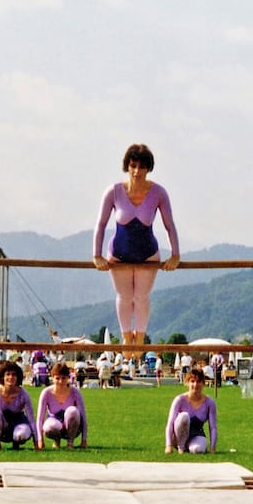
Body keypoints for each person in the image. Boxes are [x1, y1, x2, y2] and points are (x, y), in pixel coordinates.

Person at [92, 143, 180, 351]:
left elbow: (169, 225)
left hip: (147, 254)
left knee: (141, 297)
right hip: (119, 254)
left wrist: (175, 254)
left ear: (148, 168)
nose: (137, 171)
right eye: (133, 166)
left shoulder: (158, 193)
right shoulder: (113, 192)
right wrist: (96, 255)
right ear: (127, 166)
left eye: (141, 167)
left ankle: (139, 338)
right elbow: (101, 224)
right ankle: (125, 336)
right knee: (124, 297)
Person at [0, 361, 38, 452]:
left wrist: (36, 442)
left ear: (18, 377)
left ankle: (16, 443)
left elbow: (31, 419)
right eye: (7, 374)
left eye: (14, 375)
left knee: (21, 435)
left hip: (19, 423)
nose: (11, 377)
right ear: (2, 377)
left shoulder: (23, 394)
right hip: (2, 426)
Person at [165, 368, 217, 455]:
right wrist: (168, 445)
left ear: (203, 383)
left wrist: (212, 447)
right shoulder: (179, 400)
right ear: (187, 383)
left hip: (197, 433)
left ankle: (188, 446)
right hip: (179, 434)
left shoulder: (209, 403)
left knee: (198, 450)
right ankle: (180, 447)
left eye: (199, 381)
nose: (195, 385)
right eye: (192, 381)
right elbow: (170, 423)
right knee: (184, 416)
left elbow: (213, 427)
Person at [36, 362, 88, 450]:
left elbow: (83, 417)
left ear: (68, 378)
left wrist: (84, 440)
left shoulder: (75, 392)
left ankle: (70, 443)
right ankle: (57, 441)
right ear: (52, 378)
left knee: (73, 411)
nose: (60, 381)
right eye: (57, 378)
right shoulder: (46, 393)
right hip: (55, 423)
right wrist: (40, 440)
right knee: (48, 427)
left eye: (63, 378)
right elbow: (40, 418)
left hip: (73, 427)